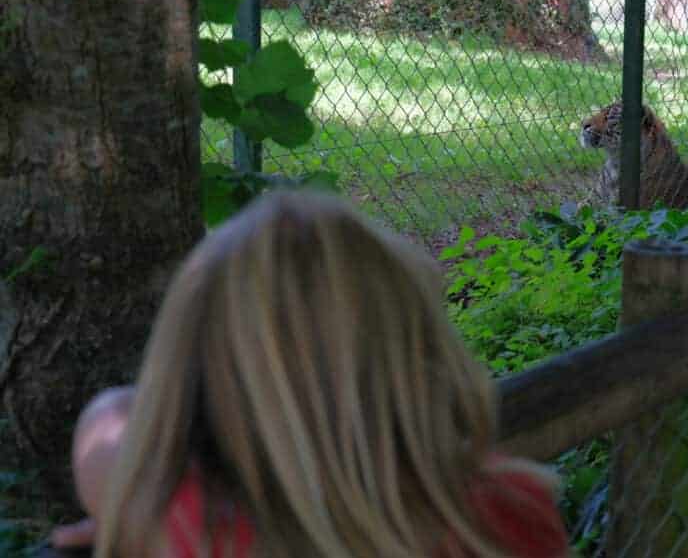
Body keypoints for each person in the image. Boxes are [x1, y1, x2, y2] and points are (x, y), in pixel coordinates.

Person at [50, 191, 570, 557]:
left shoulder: (189, 521)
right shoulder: (510, 508)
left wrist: (132, 506)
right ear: (421, 352)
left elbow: (112, 420)